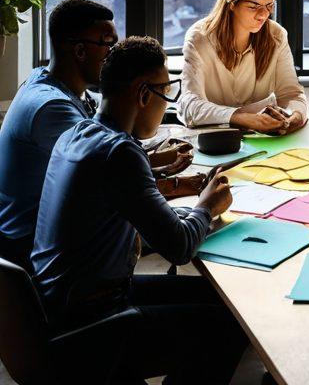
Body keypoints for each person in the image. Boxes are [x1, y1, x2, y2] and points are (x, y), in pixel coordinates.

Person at [31, 36, 247, 384]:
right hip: (90, 321)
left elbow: (142, 216)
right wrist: (207, 205)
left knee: (223, 300)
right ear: (144, 94)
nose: (166, 107)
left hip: (58, 305)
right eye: (165, 94)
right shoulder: (121, 153)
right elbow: (178, 248)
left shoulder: (79, 132)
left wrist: (185, 209)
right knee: (229, 325)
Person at [0, 0, 197, 268]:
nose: (114, 53)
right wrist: (180, 186)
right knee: (177, 237)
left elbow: (109, 164)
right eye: (108, 44)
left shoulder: (47, 82)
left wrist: (158, 159)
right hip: (34, 247)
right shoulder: (52, 108)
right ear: (79, 51)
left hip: (57, 239)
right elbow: (110, 172)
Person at [178, 0, 307, 132]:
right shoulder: (199, 39)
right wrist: (241, 118)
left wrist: (294, 117)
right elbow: (190, 106)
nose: (264, 15)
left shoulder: (276, 36)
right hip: (215, 138)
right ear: (232, 2)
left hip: (264, 139)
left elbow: (291, 94)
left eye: (269, 6)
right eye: (254, 6)